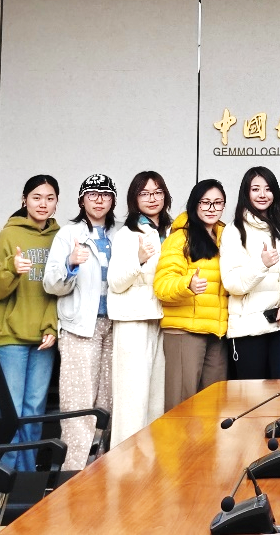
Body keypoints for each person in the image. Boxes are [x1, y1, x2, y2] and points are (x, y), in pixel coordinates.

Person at [0, 175, 61, 471]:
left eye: (50, 198)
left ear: (57, 202)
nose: (43, 204)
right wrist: (12, 270)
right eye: (36, 197)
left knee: (34, 411)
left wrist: (52, 326)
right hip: (10, 336)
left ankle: (27, 478)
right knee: (10, 410)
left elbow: (61, 291)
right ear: (24, 200)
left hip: (43, 338)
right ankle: (4, 476)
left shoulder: (60, 237)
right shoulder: (8, 235)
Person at [43, 173, 119, 471]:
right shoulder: (68, 233)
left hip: (114, 326)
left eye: (105, 194)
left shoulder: (120, 233)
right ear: (81, 199)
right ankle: (72, 473)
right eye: (92, 195)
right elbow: (51, 283)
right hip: (80, 328)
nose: (99, 200)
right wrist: (70, 263)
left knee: (107, 403)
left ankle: (100, 469)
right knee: (78, 404)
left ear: (113, 200)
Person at [106, 171, 170, 447]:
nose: (152, 198)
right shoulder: (127, 234)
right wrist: (139, 260)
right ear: (134, 199)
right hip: (133, 320)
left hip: (162, 319)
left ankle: (150, 466)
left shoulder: (171, 231)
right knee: (131, 401)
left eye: (157, 192)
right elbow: (116, 282)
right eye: (144, 193)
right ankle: (125, 463)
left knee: (156, 401)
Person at [154, 179, 229, 409]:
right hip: (184, 331)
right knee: (182, 403)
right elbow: (162, 285)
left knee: (213, 404)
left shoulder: (226, 236)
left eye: (217, 203)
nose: (211, 208)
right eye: (205, 202)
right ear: (194, 204)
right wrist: (187, 284)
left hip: (216, 332)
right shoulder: (180, 238)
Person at [220, 167, 280, 379]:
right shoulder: (234, 230)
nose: (262, 194)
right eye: (255, 189)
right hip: (248, 330)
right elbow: (232, 283)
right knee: (252, 395)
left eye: (268, 189)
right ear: (246, 193)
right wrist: (261, 265)